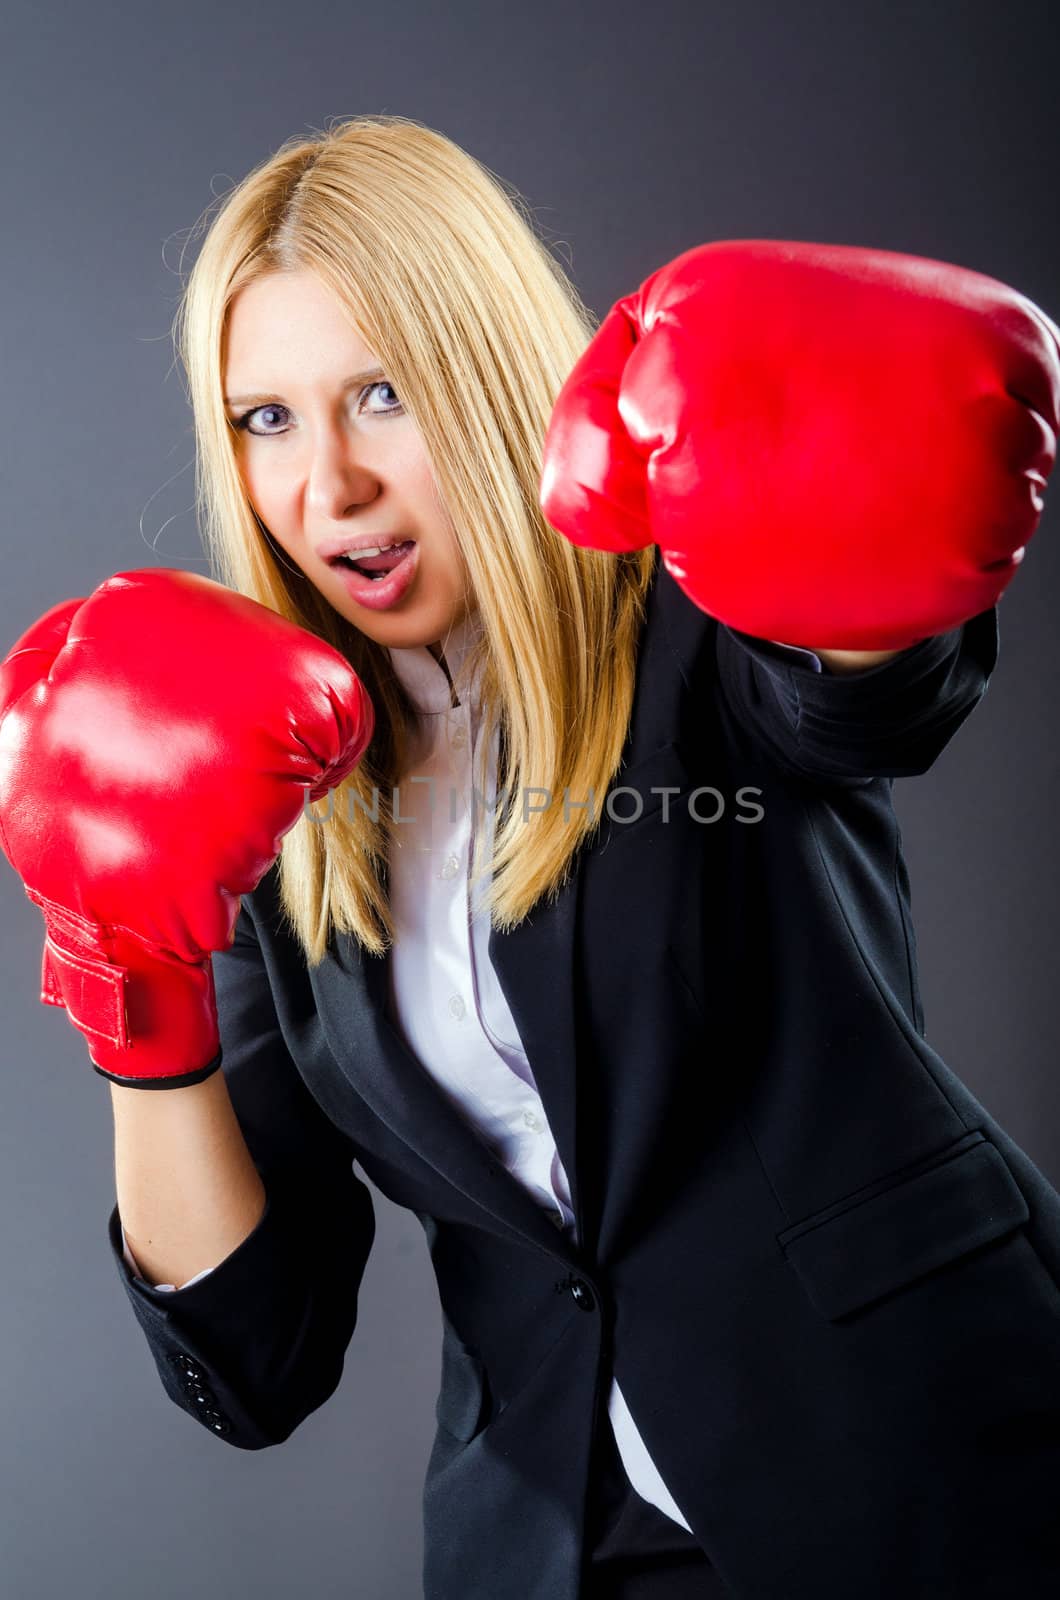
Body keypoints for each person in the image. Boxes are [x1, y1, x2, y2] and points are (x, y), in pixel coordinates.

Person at [2, 113, 1060, 1599]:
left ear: (491, 375)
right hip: (551, 1535)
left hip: (915, 1458)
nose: (333, 488)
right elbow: (258, 1355)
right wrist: (126, 970)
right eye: (268, 420)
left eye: (382, 393)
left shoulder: (698, 615)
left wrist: (873, 465)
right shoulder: (259, 780)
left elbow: (863, 694)